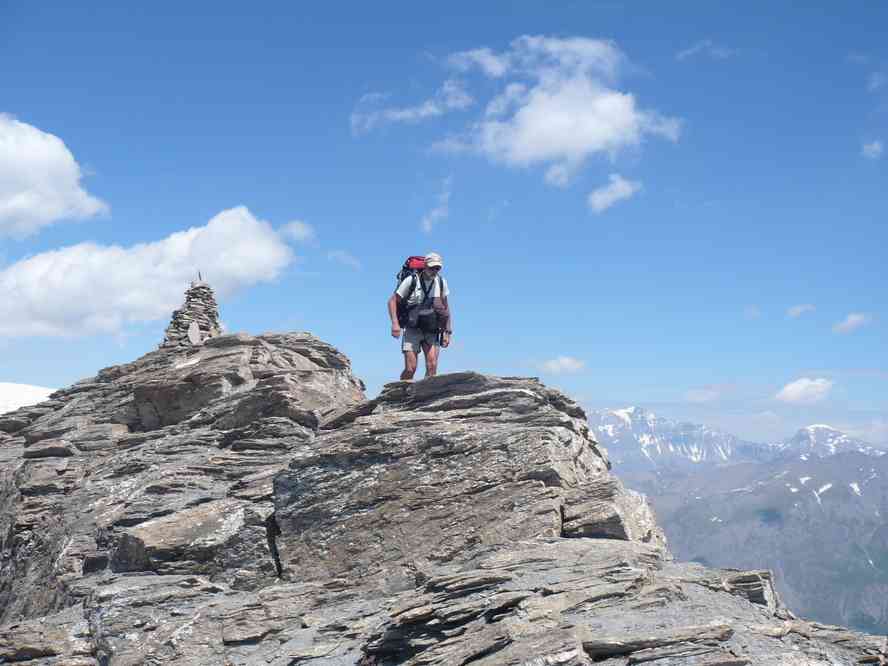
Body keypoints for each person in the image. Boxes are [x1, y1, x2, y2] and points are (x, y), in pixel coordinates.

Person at [387, 252, 452, 380]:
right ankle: (401, 394)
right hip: (413, 328)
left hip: (431, 328)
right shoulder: (412, 280)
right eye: (431, 267)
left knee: (432, 366)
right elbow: (392, 301)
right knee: (411, 368)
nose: (434, 271)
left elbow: (445, 307)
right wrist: (395, 324)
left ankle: (426, 397)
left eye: (437, 268)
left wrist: (447, 331)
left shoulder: (441, 282)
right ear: (425, 265)